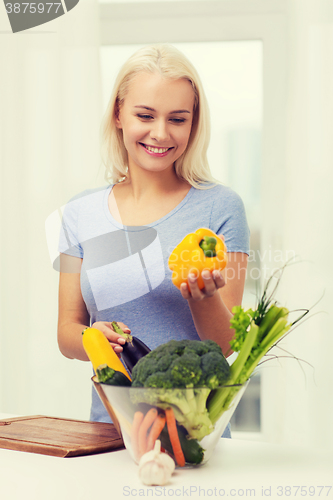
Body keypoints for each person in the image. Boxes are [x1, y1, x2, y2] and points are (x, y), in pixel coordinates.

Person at [57, 44, 250, 434]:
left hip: (199, 435)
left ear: (194, 124)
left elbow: (226, 345)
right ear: (118, 114)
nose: (160, 133)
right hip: (111, 433)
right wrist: (93, 340)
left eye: (177, 119)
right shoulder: (80, 213)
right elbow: (67, 330)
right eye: (145, 115)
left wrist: (204, 295)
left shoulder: (221, 207)